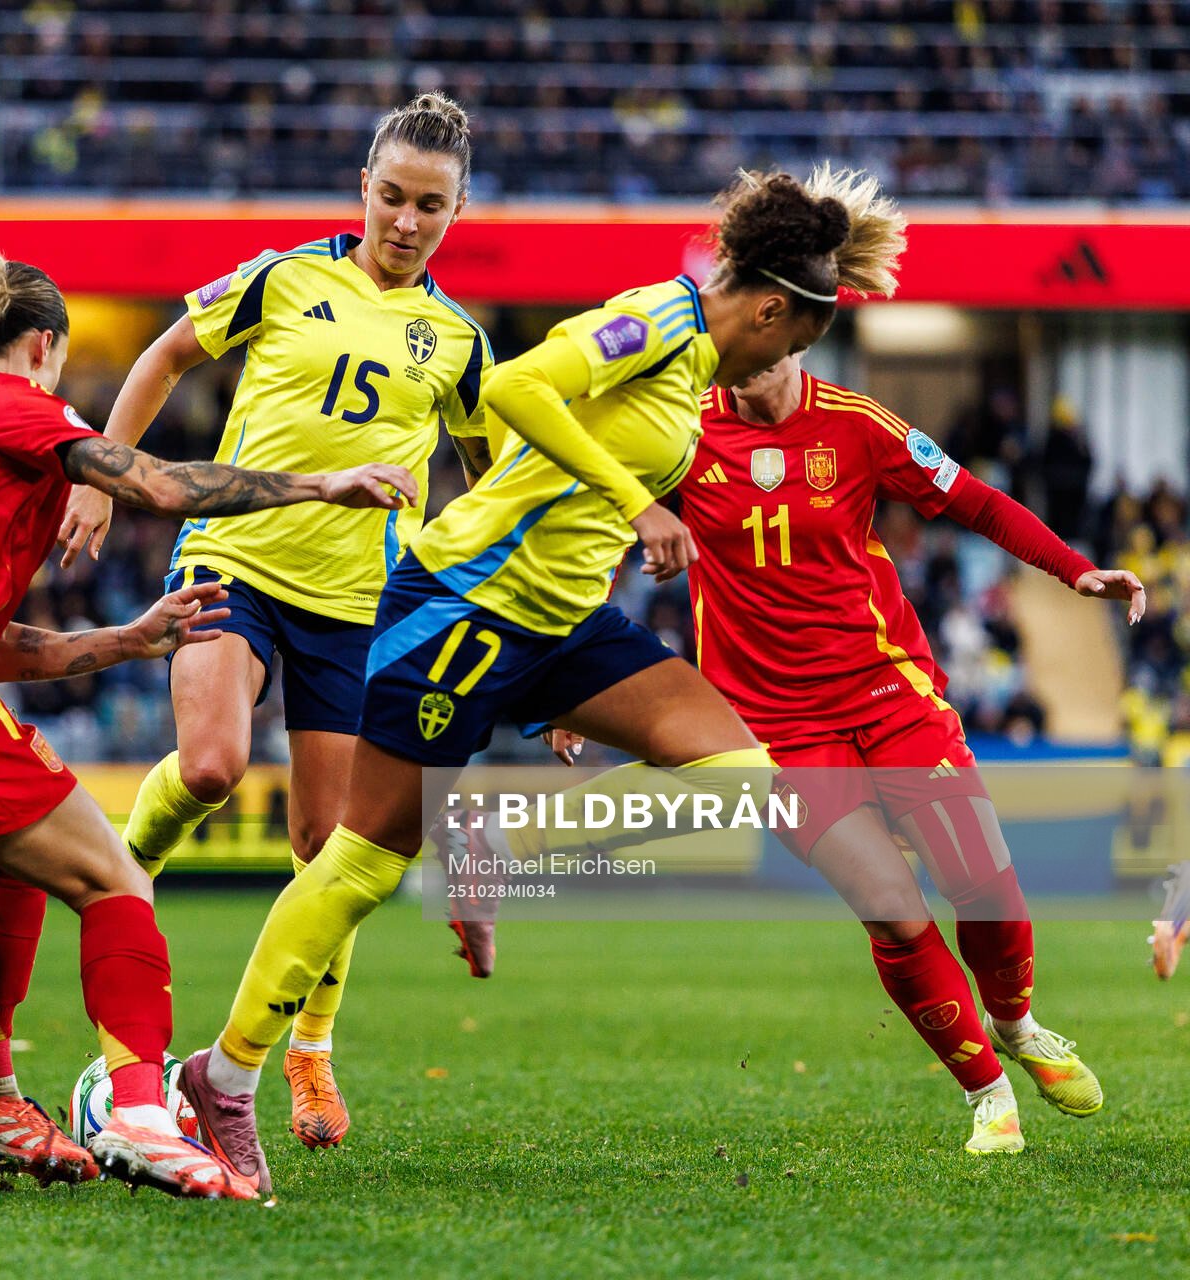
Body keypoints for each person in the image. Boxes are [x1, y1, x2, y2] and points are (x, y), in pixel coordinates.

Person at [175, 169, 861, 1197]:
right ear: (769, 308)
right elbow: (512, 388)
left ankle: (495, 834)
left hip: (563, 622)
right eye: (792, 343)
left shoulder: (699, 372)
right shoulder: (657, 323)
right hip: (458, 602)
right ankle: (222, 1078)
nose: (782, 367)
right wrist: (637, 501)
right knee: (358, 865)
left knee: (738, 774)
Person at [0, 244, 418, 1200]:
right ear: (45, 346)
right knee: (117, 881)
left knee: (22, 857)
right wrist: (317, 484)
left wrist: (123, 642)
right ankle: (141, 1114)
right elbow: (159, 486)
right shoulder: (24, 409)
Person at [669, 165, 1144, 1153]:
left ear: (791, 328)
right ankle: (986, 1092)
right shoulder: (673, 437)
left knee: (988, 888)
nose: (742, 361)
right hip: (774, 726)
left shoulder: (857, 425)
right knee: (889, 908)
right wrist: (562, 687)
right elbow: (579, 520)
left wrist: (1073, 569)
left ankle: (1015, 1021)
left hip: (889, 691)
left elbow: (973, 499)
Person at [56, 92, 494, 1149]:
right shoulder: (283, 275)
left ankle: (307, 1052)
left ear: (457, 209)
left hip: (359, 607)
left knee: (328, 846)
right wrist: (107, 477)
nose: (405, 220)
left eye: (429, 205)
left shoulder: (462, 343)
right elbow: (162, 356)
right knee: (207, 763)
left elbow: (488, 487)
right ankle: (125, 873)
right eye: (391, 195)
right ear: (363, 189)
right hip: (235, 556)